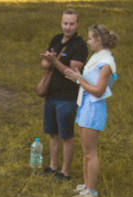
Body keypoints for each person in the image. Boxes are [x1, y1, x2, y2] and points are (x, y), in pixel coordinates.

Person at [64, 24, 119, 197]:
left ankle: (92, 191)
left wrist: (79, 80)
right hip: (86, 104)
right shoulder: (97, 57)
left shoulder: (106, 63)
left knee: (90, 151)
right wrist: (79, 76)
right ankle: (87, 184)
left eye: (90, 39)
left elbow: (99, 91)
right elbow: (90, 81)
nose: (88, 42)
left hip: (94, 107)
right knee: (85, 150)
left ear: (99, 40)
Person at [39, 9, 87, 181]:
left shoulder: (79, 45)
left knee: (66, 135)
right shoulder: (55, 39)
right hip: (51, 94)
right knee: (52, 133)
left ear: (77, 25)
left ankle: (65, 171)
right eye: (65, 23)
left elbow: (71, 71)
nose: (68, 27)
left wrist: (54, 61)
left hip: (67, 97)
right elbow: (45, 64)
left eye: (71, 24)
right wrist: (47, 60)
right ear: (61, 23)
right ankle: (53, 166)